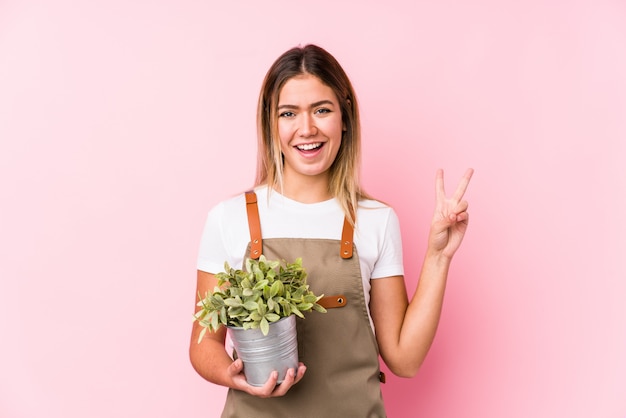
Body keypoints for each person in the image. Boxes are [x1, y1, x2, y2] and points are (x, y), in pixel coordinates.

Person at [189, 44, 473, 417]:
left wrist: (438, 257)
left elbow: (405, 360)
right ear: (270, 123)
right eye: (288, 113)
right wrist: (236, 374)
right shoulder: (228, 218)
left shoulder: (376, 220)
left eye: (321, 110)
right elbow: (203, 345)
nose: (306, 129)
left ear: (344, 118)